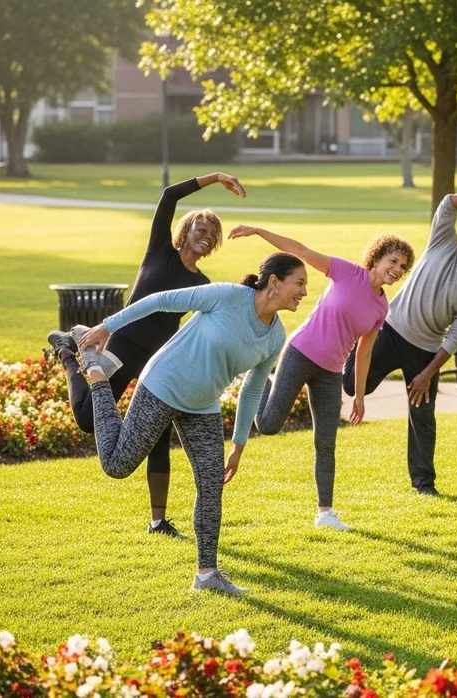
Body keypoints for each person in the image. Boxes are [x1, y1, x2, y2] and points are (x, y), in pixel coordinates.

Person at [75, 252, 306, 594]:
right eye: (299, 283)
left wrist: (238, 445)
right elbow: (161, 300)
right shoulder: (228, 296)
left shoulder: (275, 337)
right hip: (163, 385)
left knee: (211, 486)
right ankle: (95, 373)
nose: (303, 292)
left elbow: (253, 387)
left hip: (202, 405)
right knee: (116, 465)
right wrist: (108, 326)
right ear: (274, 282)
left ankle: (207, 575)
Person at [46, 173, 246, 538]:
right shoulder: (159, 251)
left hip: (160, 360)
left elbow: (222, 314)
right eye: (201, 227)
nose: (206, 235)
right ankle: (68, 353)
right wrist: (215, 178)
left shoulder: (203, 285)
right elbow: (169, 195)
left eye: (213, 233)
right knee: (89, 420)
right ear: (185, 231)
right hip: (123, 346)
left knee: (157, 437)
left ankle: (158, 521)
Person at [228, 225, 415, 530]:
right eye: (393, 261)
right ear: (378, 257)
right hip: (301, 352)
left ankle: (325, 512)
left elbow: (364, 353)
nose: (397, 269)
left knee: (326, 443)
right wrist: (259, 231)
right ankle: (257, 375)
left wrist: (358, 396)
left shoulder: (382, 306)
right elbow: (299, 251)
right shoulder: (345, 272)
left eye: (403, 266)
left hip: (331, 371)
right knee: (269, 425)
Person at [343, 192, 457, 495]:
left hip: (426, 352)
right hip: (391, 329)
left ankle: (424, 484)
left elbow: (455, 336)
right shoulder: (444, 241)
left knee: (423, 418)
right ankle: (354, 342)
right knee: (351, 385)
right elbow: (449, 202)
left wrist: (427, 373)